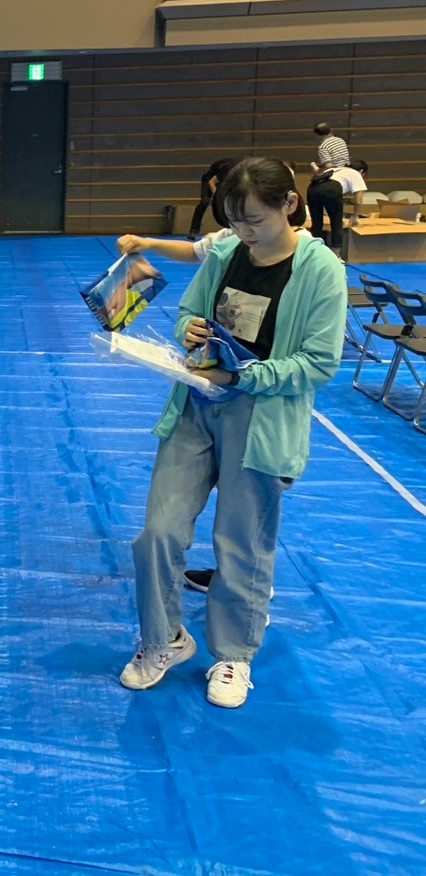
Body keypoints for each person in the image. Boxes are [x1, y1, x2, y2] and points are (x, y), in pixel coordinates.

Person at [120, 157, 346, 709]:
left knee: (241, 542)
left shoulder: (320, 270)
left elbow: (319, 363)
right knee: (158, 532)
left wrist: (243, 376)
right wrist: (190, 330)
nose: (244, 232)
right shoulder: (224, 253)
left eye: (254, 220)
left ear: (289, 205)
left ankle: (233, 655)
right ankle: (164, 639)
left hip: (262, 419)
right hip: (198, 405)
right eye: (235, 221)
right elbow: (189, 313)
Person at [307, 138, 365, 252]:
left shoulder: (335, 170)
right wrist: (355, 217)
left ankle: (316, 251)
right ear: (362, 171)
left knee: (316, 224)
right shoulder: (356, 174)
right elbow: (358, 201)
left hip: (313, 186)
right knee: (337, 223)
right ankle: (336, 254)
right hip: (331, 187)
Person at [188, 159, 233, 239]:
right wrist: (217, 196)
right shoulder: (228, 171)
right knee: (205, 202)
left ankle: (231, 229)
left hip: (223, 181)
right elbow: (211, 182)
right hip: (210, 179)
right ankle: (194, 231)